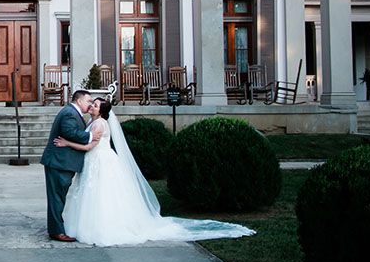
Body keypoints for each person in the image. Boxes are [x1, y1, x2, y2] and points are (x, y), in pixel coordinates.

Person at [54, 98, 255, 246]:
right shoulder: (91, 122)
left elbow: (89, 147)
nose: (92, 106)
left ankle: (102, 227)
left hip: (101, 162)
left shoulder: (99, 124)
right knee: (92, 195)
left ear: (102, 111)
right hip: (94, 164)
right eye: (92, 104)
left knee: (103, 196)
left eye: (95, 105)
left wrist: (66, 142)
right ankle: (85, 225)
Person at [39, 88, 102, 242]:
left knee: (58, 197)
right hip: (59, 163)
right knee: (56, 198)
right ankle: (56, 231)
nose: (89, 104)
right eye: (88, 101)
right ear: (79, 101)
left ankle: (56, 228)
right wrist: (91, 136)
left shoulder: (73, 113)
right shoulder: (69, 113)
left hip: (63, 163)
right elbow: (70, 132)